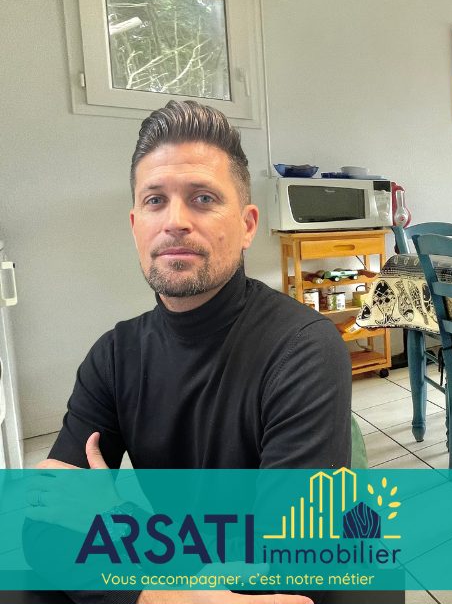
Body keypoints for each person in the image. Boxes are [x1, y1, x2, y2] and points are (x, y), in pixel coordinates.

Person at [31, 100, 354, 604]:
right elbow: (45, 524)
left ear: (247, 226)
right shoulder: (113, 356)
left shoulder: (304, 349)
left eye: (203, 198)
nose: (175, 221)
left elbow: (288, 569)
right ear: (135, 225)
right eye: (155, 200)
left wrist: (117, 524)